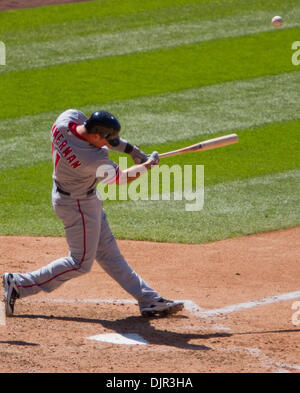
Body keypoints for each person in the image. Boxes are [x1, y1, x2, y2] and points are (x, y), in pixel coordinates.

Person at [2, 109, 184, 318]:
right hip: (77, 205)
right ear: (96, 136)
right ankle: (19, 284)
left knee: (108, 253)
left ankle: (149, 300)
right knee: (80, 263)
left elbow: (109, 140)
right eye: (105, 140)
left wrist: (132, 150)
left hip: (78, 196)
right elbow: (122, 179)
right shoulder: (90, 157)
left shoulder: (66, 120)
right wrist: (146, 165)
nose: (109, 144)